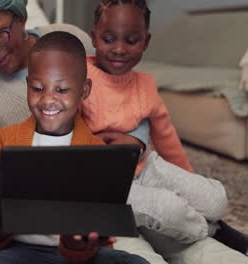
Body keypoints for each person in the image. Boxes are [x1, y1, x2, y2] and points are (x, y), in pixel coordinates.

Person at [0, 0, 166, 262]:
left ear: (85, 91)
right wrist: (13, 205)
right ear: (27, 85)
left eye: (62, 90)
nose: (48, 100)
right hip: (23, 250)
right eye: (37, 88)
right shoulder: (6, 137)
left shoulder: (96, 150)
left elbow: (98, 232)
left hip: (78, 255)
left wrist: (76, 242)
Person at [82, 1, 247, 263]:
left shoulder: (146, 84)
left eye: (132, 40)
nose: (119, 49)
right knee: (170, 211)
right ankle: (211, 231)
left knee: (215, 199)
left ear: (146, 42)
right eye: (109, 39)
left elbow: (166, 135)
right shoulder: (79, 76)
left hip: (148, 168)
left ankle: (212, 222)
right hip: (109, 183)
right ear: (93, 37)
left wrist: (186, 180)